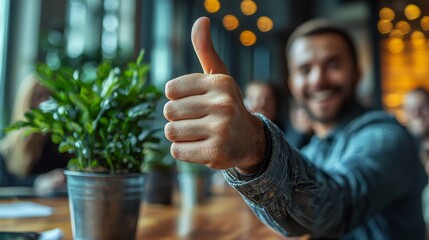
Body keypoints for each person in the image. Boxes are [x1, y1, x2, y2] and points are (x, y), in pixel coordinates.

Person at [163, 17, 426, 239]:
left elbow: (333, 207)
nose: (318, 79)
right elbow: (295, 214)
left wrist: (256, 147)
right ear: (292, 84)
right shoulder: (316, 148)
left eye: (333, 64)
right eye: (305, 69)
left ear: (357, 73)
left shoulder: (385, 137)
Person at [0, 75, 68, 196]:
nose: (46, 102)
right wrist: (38, 182)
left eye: (51, 96)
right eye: (39, 96)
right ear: (26, 103)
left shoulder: (61, 143)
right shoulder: (6, 148)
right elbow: (4, 184)